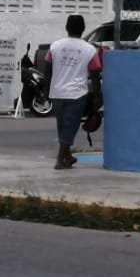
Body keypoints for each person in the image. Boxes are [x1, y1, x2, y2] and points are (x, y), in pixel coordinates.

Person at [43, 14, 102, 170]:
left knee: (63, 126)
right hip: (77, 93)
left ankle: (67, 156)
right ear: (83, 29)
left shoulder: (55, 46)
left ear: (66, 27)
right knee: (70, 126)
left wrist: (45, 91)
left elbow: (47, 70)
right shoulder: (89, 49)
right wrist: (97, 96)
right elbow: (95, 73)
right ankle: (59, 160)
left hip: (57, 92)